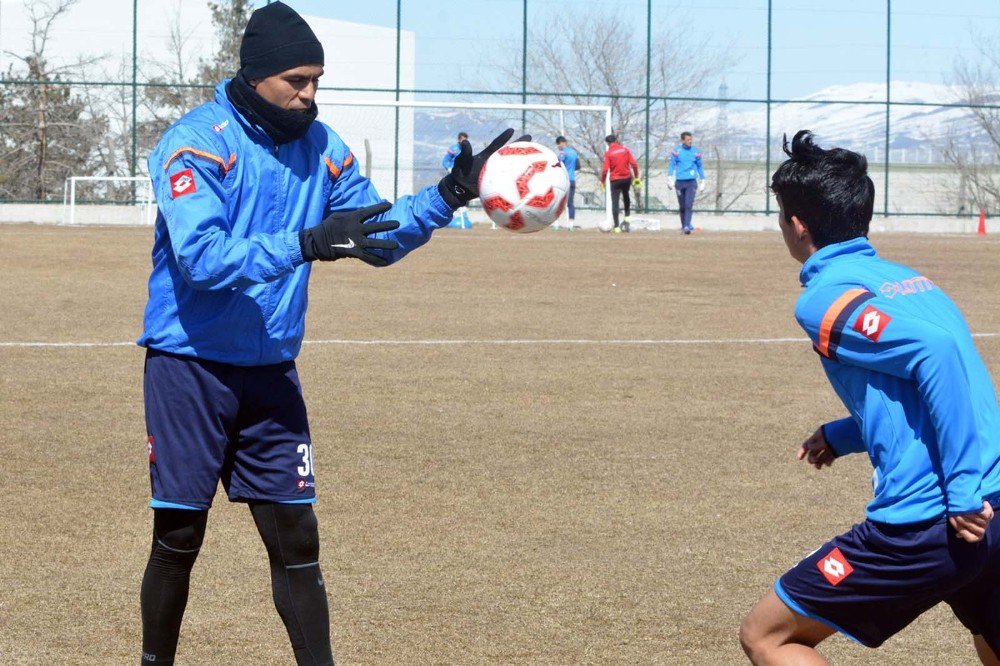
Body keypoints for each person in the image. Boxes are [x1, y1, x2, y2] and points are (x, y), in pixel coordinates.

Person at [136, 4, 522, 664]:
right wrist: (307, 242)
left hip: (272, 372)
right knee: (179, 535)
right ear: (257, 76)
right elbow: (203, 257)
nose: (309, 94)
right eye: (296, 80)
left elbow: (376, 235)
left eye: (317, 80)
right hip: (189, 367)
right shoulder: (195, 143)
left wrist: (447, 196)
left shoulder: (324, 147)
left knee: (297, 538)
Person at [739, 130, 1000, 665]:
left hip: (936, 520)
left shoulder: (824, 300)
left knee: (769, 635)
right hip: (998, 502)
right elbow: (940, 389)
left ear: (796, 225)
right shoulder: (912, 281)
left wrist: (962, 492)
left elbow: (937, 355)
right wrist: (841, 434)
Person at [667, 131, 705, 234]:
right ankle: (684, 226)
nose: (690, 141)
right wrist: (670, 177)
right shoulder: (677, 151)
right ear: (683, 140)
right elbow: (672, 165)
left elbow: (700, 166)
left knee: (689, 204)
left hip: (691, 182)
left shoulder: (696, 152)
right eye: (688, 139)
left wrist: (703, 180)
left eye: (691, 139)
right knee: (682, 206)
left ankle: (687, 226)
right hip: (680, 182)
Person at [600, 134, 639, 233]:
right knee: (626, 195)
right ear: (616, 140)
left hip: (615, 180)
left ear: (608, 143)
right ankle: (627, 216)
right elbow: (634, 164)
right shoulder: (625, 150)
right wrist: (637, 177)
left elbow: (605, 170)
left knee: (615, 202)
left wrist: (603, 181)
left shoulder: (609, 153)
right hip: (627, 178)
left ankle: (617, 227)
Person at [555, 135, 579, 229]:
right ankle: (571, 224)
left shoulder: (563, 153)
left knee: (557, 201)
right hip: (572, 179)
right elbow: (578, 166)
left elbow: (558, 165)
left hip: (564, 180)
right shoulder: (574, 153)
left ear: (561, 143)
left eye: (558, 144)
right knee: (570, 203)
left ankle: (556, 223)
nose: (558, 146)